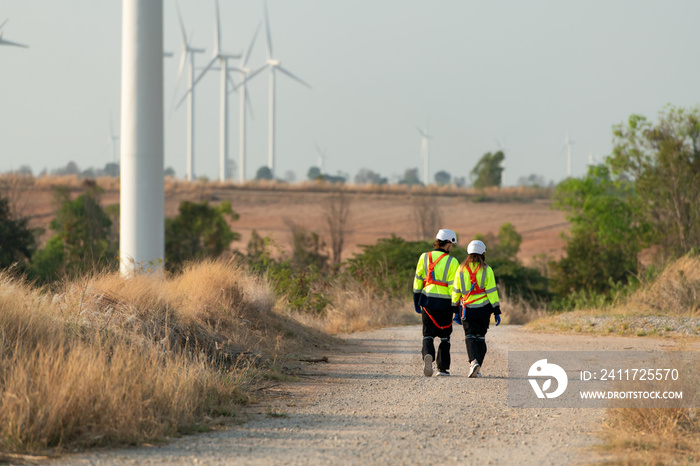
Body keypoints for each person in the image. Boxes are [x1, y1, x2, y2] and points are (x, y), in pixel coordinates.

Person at [413, 229, 461, 377]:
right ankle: (443, 368)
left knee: (428, 334)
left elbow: (417, 281)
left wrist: (416, 300)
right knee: (445, 337)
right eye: (451, 244)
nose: (451, 247)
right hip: (445, 304)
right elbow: (455, 287)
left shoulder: (424, 257)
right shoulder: (453, 262)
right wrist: (456, 307)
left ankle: (428, 355)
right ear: (447, 244)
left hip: (427, 302)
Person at [451, 239, 502, 378]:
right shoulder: (487, 269)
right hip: (484, 309)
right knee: (480, 338)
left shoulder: (460, 269)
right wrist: (496, 311)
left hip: (467, 309)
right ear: (482, 253)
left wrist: (455, 310)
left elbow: (456, 291)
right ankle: (477, 366)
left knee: (470, 336)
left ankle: (473, 362)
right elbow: (492, 292)